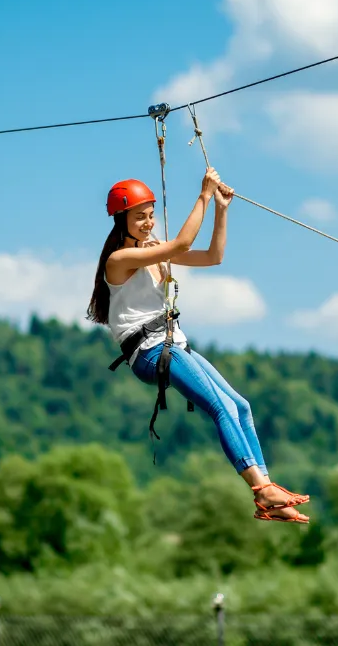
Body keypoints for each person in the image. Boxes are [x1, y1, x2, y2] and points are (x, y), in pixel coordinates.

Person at [86, 167, 310, 524]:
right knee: (219, 407)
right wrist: (203, 195)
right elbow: (182, 245)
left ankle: (268, 491)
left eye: (150, 215)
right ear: (120, 220)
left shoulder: (154, 250)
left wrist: (220, 209)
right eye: (139, 218)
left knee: (240, 406)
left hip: (173, 344)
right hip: (150, 352)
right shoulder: (120, 260)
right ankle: (260, 489)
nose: (147, 223)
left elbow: (212, 256)